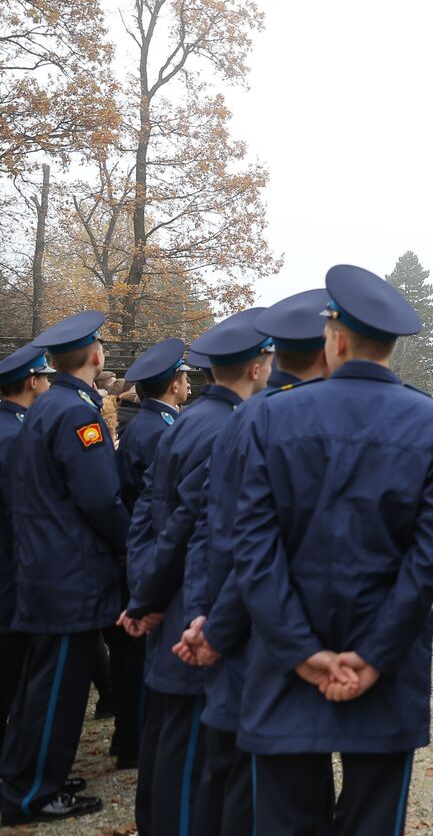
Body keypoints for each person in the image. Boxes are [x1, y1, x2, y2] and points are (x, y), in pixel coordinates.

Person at [231, 266, 433, 835]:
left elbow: (253, 548)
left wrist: (300, 651)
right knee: (373, 820)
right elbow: (429, 557)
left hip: (286, 662)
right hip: (387, 661)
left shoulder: (270, 416)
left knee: (284, 820)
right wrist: (376, 654)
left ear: (334, 339)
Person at [177, 288, 331, 836]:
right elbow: (259, 549)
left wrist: (201, 617)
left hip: (228, 630)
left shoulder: (242, 419)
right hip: (266, 644)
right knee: (275, 800)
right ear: (330, 348)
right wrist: (217, 628)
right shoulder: (297, 423)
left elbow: (207, 530)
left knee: (226, 786)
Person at [122, 312, 272, 836]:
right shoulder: (229, 426)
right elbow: (189, 521)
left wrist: (143, 591)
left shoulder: (185, 420)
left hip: (170, 596)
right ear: (256, 367)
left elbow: (147, 513)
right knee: (189, 756)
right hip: (193, 601)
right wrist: (155, 596)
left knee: (165, 740)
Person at [0, 311, 124, 824]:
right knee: (57, 691)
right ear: (95, 356)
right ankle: (33, 792)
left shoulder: (47, 407)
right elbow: (99, 497)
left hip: (46, 568)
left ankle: (25, 775)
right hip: (69, 574)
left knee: (40, 686)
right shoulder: (76, 414)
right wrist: (129, 542)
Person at [112, 338, 195, 775]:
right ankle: (135, 741)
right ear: (174, 384)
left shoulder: (145, 424)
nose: (187, 383)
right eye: (183, 376)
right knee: (141, 657)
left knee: (131, 656)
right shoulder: (161, 430)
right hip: (148, 557)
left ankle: (128, 736)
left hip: (137, 553)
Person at [0, 344, 55, 747]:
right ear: (33, 381)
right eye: (46, 376)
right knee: (14, 667)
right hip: (12, 567)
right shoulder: (19, 435)